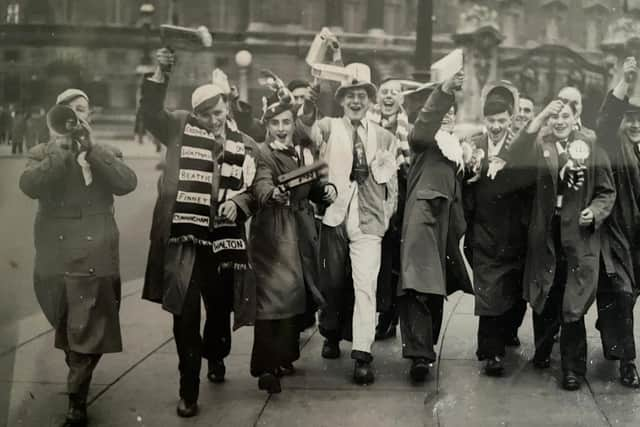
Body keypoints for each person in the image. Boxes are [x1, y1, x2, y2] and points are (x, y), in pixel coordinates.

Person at [139, 48, 259, 417]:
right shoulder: (178, 126)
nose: (214, 122)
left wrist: (238, 204)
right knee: (186, 314)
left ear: (227, 108)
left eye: (219, 113)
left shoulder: (242, 141)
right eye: (206, 116)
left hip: (223, 238)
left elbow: (257, 184)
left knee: (220, 311)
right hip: (185, 240)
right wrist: (160, 72)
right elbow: (150, 114)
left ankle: (217, 353)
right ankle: (188, 389)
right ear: (195, 115)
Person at [19, 88, 137, 426]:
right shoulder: (42, 151)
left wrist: (92, 149)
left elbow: (126, 183)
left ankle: (77, 400)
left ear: (91, 114)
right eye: (67, 111)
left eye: (81, 109)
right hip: (54, 254)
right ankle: (78, 366)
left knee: (87, 324)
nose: (75, 116)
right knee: (66, 319)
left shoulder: (105, 151)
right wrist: (61, 147)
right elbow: (30, 186)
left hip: (94, 250)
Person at [498, 98, 615, 390]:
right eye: (555, 117)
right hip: (546, 234)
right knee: (546, 295)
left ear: (576, 117)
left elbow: (606, 191)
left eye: (566, 116)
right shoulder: (541, 145)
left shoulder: (590, 146)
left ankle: (573, 369)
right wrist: (539, 118)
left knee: (573, 305)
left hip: (577, 237)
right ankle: (542, 349)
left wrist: (595, 211)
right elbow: (516, 154)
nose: (560, 122)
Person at [305, 63, 398, 385]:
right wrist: (311, 95)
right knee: (331, 283)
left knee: (365, 287)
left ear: (370, 99)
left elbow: (391, 182)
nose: (356, 101)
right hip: (333, 216)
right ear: (341, 99)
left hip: (369, 220)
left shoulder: (385, 136)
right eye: (350, 96)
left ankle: (362, 354)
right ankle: (330, 333)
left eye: (362, 95)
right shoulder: (328, 127)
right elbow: (307, 133)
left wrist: (385, 216)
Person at [249, 89, 336, 394]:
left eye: (286, 122)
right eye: (275, 123)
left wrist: (324, 193)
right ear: (267, 125)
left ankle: (284, 357)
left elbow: (310, 185)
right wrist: (271, 193)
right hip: (274, 233)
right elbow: (260, 181)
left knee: (295, 294)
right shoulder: (262, 152)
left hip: (300, 230)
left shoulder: (301, 152)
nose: (282, 128)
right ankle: (266, 367)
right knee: (274, 299)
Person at [399, 70, 473, 383]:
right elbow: (426, 122)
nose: (446, 117)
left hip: (446, 225)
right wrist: (443, 92)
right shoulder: (425, 141)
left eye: (451, 113)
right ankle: (419, 355)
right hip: (422, 218)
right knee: (416, 283)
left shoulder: (457, 148)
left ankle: (424, 348)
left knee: (436, 287)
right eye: (443, 113)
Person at [463, 83, 528, 376]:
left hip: (514, 231)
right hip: (484, 230)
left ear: (511, 119)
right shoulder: (474, 144)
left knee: (512, 294)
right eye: (492, 121)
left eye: (502, 120)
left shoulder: (519, 147)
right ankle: (492, 353)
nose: (497, 127)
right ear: (484, 120)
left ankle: (508, 332)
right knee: (488, 294)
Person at [593, 56, 640, 388]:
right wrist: (625, 82)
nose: (636, 123)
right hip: (619, 235)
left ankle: (610, 327)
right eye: (631, 117)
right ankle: (628, 362)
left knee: (626, 297)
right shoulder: (614, 143)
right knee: (622, 295)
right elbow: (607, 119)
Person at [366, 78, 411, 340]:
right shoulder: (367, 126)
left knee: (392, 261)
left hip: (398, 202)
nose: (389, 97)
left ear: (402, 99)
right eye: (384, 92)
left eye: (394, 93)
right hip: (371, 199)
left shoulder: (408, 130)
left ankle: (388, 317)